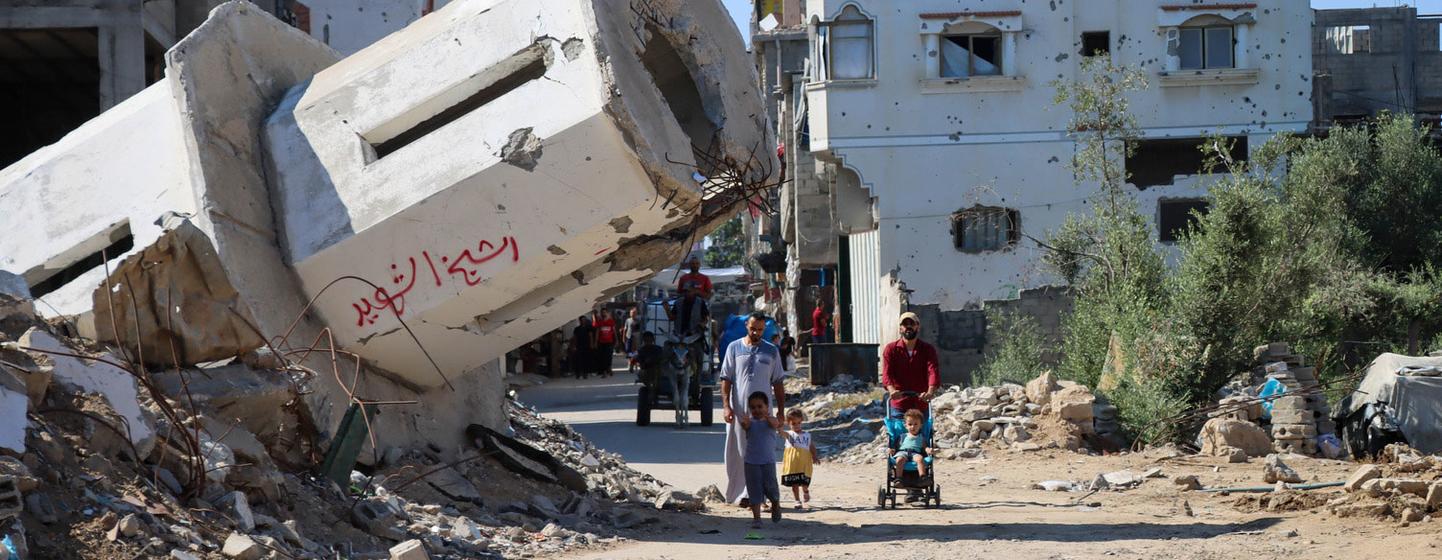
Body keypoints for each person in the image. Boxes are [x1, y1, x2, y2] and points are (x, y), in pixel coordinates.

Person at [720, 312, 786, 506]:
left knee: (763, 453)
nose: (756, 332)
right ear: (746, 327)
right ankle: (741, 494)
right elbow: (726, 379)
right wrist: (726, 406)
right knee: (739, 452)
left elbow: (779, 383)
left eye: (760, 329)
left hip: (763, 414)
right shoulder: (734, 348)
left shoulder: (771, 351)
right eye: (752, 328)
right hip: (740, 412)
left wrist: (781, 412)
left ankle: (760, 496)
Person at [881, 311, 941, 416]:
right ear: (900, 328)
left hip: (921, 403)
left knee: (924, 432)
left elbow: (933, 371)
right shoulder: (891, 349)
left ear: (918, 327)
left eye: (912, 324)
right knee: (897, 432)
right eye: (905, 324)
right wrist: (892, 390)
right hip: (899, 404)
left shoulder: (927, 349)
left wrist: (930, 392)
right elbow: (887, 373)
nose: (908, 327)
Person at [741, 391, 782, 528]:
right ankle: (757, 518)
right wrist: (745, 422)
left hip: (767, 462)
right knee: (754, 491)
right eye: (753, 407)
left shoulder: (771, 422)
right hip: (751, 462)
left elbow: (776, 424)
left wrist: (767, 416)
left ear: (767, 406)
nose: (756, 410)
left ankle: (775, 503)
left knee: (771, 488)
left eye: (760, 406)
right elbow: (745, 426)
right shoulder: (750, 423)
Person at [780, 409, 818, 509]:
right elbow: (780, 432)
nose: (797, 426)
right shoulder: (789, 434)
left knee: (804, 481)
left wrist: (815, 456)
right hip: (793, 463)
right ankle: (797, 500)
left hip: (804, 462)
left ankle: (805, 491)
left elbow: (811, 446)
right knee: (795, 483)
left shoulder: (807, 435)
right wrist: (779, 423)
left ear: (801, 421)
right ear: (788, 423)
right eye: (793, 423)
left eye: (799, 423)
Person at [891, 408, 932, 480]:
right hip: (903, 452)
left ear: (921, 425)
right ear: (906, 425)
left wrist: (928, 450)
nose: (913, 427)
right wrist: (892, 450)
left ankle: (923, 477)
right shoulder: (903, 435)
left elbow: (925, 447)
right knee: (899, 460)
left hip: (915, 453)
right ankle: (898, 478)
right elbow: (896, 446)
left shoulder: (921, 437)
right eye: (910, 424)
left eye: (916, 424)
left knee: (920, 459)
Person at [593, 309, 617, 378]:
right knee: (602, 357)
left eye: (605, 312)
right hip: (601, 342)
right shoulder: (599, 322)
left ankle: (609, 368)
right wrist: (595, 342)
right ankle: (604, 372)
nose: (603, 314)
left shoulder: (611, 321)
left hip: (609, 342)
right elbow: (597, 332)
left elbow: (614, 331)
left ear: (607, 313)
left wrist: (617, 340)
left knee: (609, 356)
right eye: (602, 313)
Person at [625, 307, 643, 375]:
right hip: (629, 337)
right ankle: (631, 364)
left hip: (637, 337)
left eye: (634, 313)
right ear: (630, 314)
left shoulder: (639, 320)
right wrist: (624, 337)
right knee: (629, 351)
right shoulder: (628, 320)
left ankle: (634, 364)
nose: (633, 314)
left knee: (636, 351)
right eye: (632, 313)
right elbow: (625, 329)